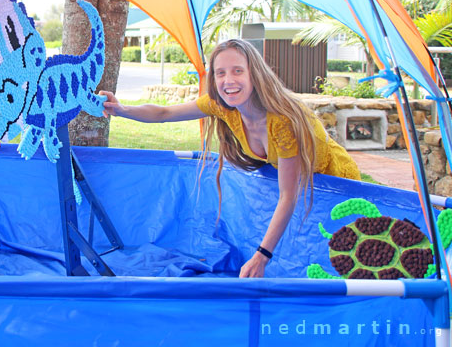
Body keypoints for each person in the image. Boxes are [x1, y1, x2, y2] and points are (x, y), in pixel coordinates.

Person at [101, 38, 360, 278]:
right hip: (309, 187)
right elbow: (165, 112)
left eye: (238, 70)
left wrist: (262, 257)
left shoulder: (282, 121)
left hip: (340, 183)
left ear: (254, 74)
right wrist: (122, 110)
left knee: (339, 263)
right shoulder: (222, 105)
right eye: (220, 72)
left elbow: (288, 196)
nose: (228, 80)